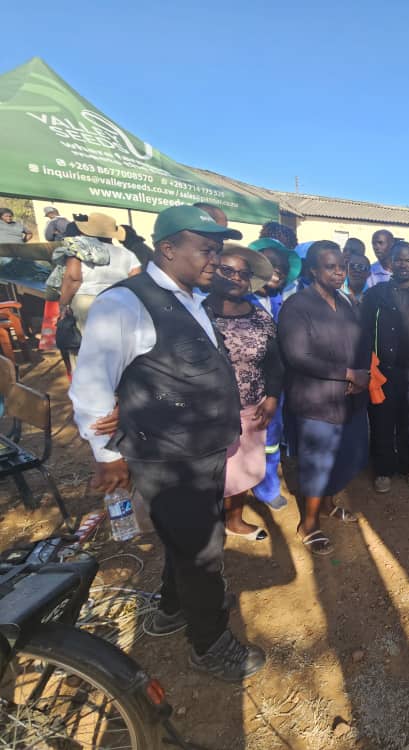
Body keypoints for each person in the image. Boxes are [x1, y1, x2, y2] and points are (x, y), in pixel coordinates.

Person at [68, 205, 264, 682]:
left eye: (217, 250)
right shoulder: (127, 304)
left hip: (201, 453)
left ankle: (172, 608)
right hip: (169, 459)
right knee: (202, 551)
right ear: (168, 248)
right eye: (205, 249)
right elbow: (91, 386)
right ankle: (210, 644)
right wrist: (109, 456)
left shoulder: (193, 299)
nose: (214, 260)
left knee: (187, 539)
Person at [278, 243, 370, 553]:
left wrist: (360, 376)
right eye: (330, 267)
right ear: (313, 270)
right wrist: (347, 374)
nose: (339, 272)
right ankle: (309, 523)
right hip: (316, 400)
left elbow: (358, 343)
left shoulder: (344, 302)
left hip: (348, 397)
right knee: (317, 464)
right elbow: (297, 356)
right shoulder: (297, 306)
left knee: (343, 456)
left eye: (341, 266)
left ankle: (329, 504)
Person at [205, 244, 282, 541]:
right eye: (227, 271)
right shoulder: (197, 311)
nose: (235, 278)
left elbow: (275, 360)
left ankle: (234, 520)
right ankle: (206, 526)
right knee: (210, 472)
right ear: (213, 270)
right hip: (208, 411)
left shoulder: (260, 316)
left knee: (242, 468)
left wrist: (272, 396)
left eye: (243, 273)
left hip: (253, 404)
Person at [361, 240, 409, 493]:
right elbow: (363, 334)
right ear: (391, 263)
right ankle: (383, 470)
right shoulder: (375, 295)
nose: (404, 264)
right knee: (382, 420)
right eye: (399, 259)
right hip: (381, 371)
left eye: (408, 260)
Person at [245, 238, 301, 512]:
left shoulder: (283, 300)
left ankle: (268, 479)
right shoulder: (241, 300)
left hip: (282, 382)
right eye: (269, 266)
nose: (275, 272)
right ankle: (264, 488)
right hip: (253, 385)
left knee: (274, 435)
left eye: (280, 268)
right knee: (259, 436)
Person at [56, 214, 142, 335]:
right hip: (119, 300)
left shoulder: (79, 250)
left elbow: (73, 278)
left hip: (87, 301)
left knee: (89, 345)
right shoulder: (127, 254)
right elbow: (135, 281)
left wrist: (63, 304)